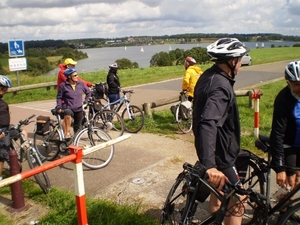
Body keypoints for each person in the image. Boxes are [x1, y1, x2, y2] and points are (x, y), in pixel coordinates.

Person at [192, 38, 249, 225]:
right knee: (239, 199)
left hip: (211, 146)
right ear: (233, 62)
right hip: (220, 152)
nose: (241, 63)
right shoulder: (222, 86)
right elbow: (208, 122)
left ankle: (217, 218)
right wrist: (210, 165)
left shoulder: (208, 75)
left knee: (220, 192)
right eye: (240, 59)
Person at [270, 60, 300, 222]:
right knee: (290, 180)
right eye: (296, 85)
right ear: (288, 82)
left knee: (298, 179)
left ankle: (287, 208)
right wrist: (279, 167)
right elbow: (277, 134)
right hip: (287, 144)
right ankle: (282, 212)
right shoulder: (283, 99)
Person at [0, 75, 27, 180]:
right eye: (5, 88)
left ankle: (28, 154)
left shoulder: (2, 102)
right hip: (1, 132)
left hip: (6, 129)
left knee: (23, 132)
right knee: (2, 156)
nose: (6, 90)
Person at [56, 68, 91, 139]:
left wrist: (86, 102)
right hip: (68, 107)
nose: (77, 76)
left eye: (77, 75)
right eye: (75, 75)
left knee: (78, 129)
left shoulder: (80, 84)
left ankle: (75, 144)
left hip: (78, 109)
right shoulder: (63, 85)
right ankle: (67, 133)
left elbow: (88, 92)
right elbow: (59, 97)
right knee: (68, 114)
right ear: (69, 77)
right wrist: (59, 106)